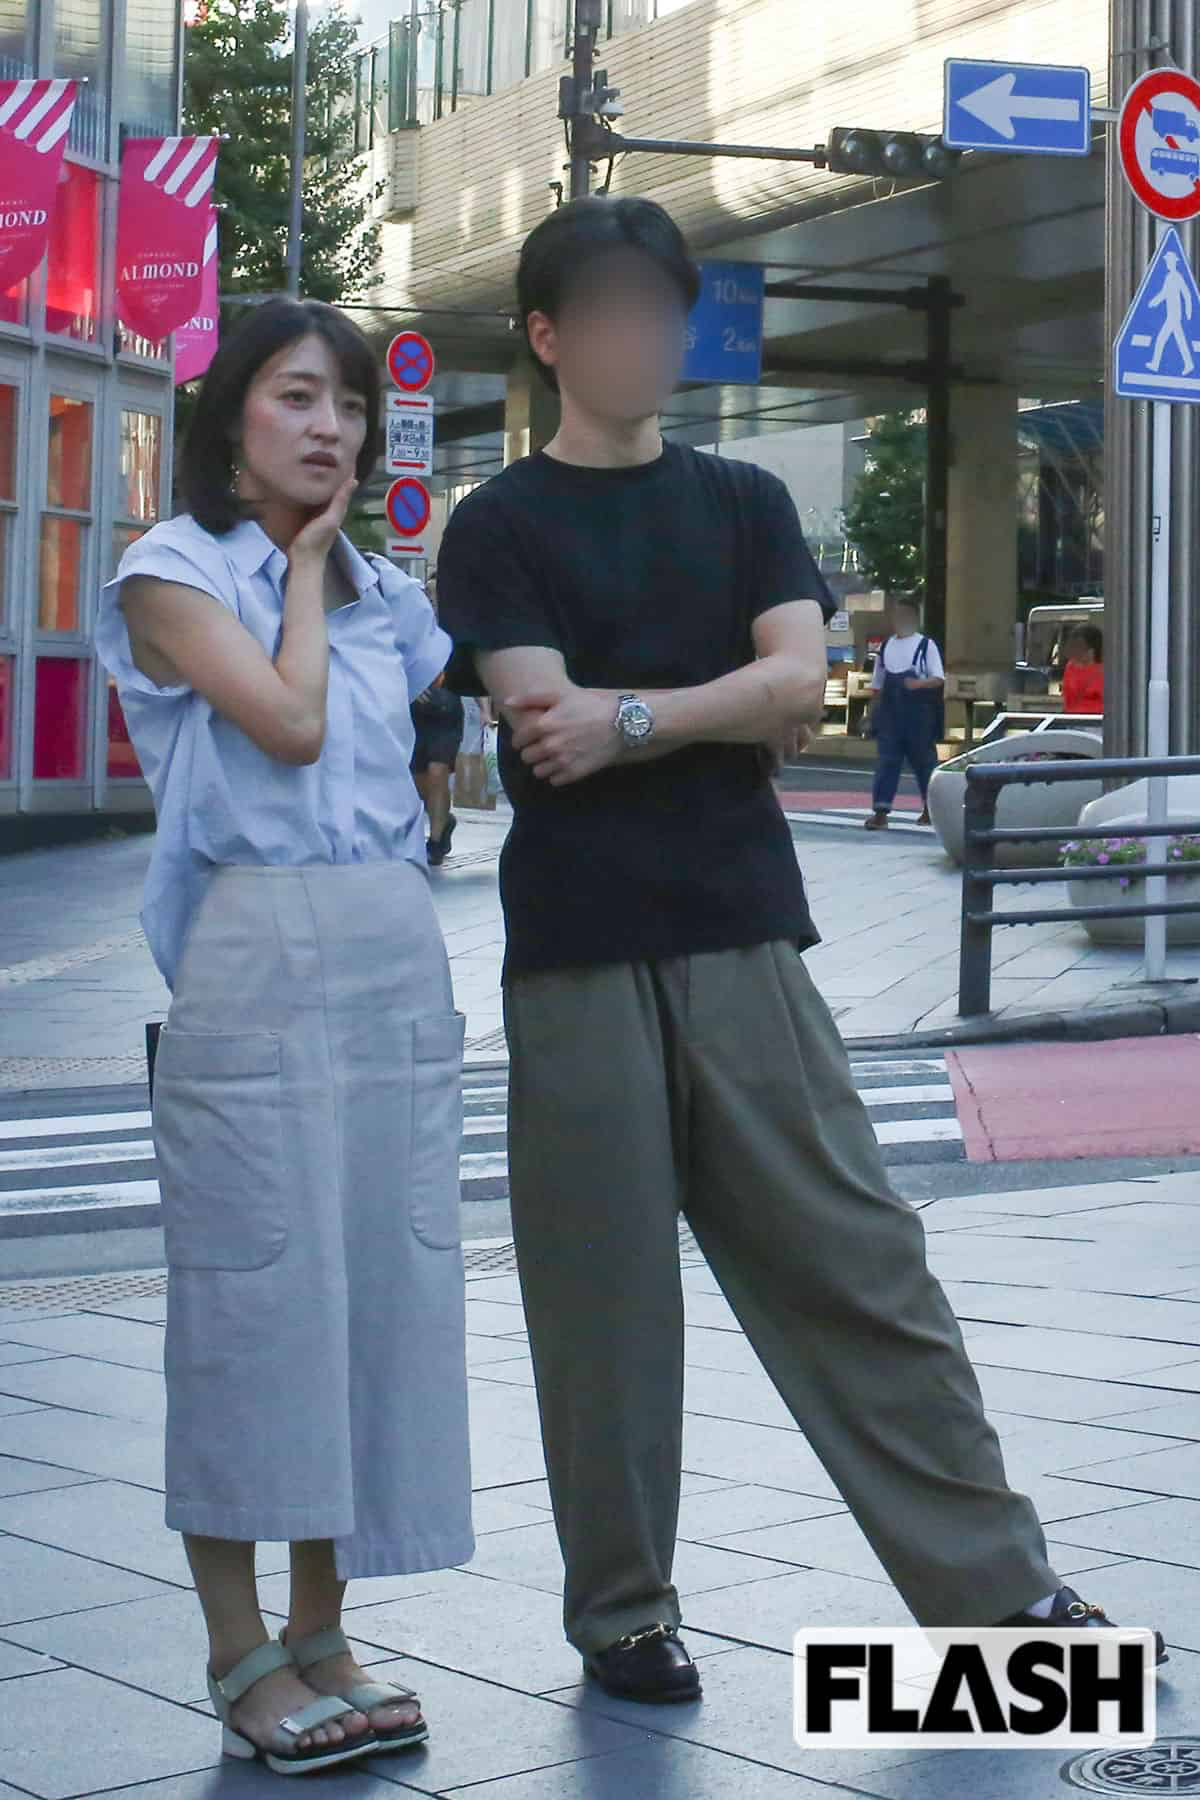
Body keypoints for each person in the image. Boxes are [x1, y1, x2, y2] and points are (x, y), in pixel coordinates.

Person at [436, 194, 1163, 1706]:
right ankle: (623, 1614)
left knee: (861, 1266)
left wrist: (641, 714)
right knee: (601, 1306)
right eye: (614, 313)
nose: (646, 338)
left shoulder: (746, 499)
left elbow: (789, 686)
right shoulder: (498, 525)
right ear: (554, 338)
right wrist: (698, 710)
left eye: (664, 311)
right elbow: (547, 725)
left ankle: (1002, 1594)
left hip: (746, 933)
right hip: (574, 952)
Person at [95, 297, 474, 1777]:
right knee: (254, 1297)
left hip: (389, 941)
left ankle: (325, 1629)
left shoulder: (389, 591)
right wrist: (309, 568)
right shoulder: (170, 572)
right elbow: (289, 725)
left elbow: (416, 745)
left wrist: (341, 568)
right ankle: (237, 1646)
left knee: (376, 1287)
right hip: (251, 947)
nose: (331, 428)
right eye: (297, 397)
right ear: (232, 418)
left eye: (349, 405)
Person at [864, 595, 944, 829]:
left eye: (905, 615)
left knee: (924, 764)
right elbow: (877, 685)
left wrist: (918, 684)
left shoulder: (926, 645)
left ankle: (930, 810)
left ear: (914, 618)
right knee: (886, 762)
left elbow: (938, 678)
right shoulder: (885, 647)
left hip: (918, 715)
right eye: (897, 615)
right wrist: (870, 714)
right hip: (890, 715)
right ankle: (880, 813)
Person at [411, 672, 466, 863]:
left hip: (447, 712)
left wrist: (485, 709)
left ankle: (434, 843)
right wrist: (411, 687)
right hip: (414, 713)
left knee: (438, 772)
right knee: (418, 783)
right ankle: (444, 820)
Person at [1061, 623, 1105, 716]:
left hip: (1097, 719)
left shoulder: (1106, 669)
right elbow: (1067, 697)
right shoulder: (1071, 667)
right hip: (1073, 718)